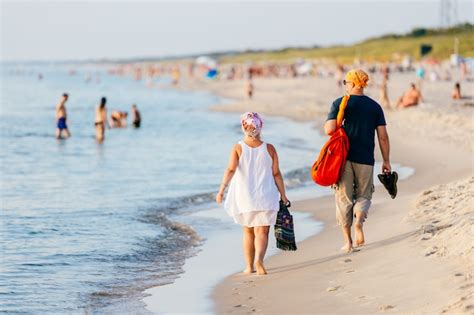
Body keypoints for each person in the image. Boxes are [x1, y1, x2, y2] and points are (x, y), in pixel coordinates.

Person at [324, 69, 391, 253]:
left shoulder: (340, 103)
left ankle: (348, 242)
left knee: (343, 199)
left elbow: (329, 130)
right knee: (364, 195)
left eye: (346, 81)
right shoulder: (374, 107)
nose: (344, 84)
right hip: (366, 159)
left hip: (342, 159)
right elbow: (383, 137)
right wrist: (386, 160)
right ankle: (359, 222)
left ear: (353, 84)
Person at [216, 112, 289, 275]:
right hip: (267, 194)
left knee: (248, 231)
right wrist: (283, 194)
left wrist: (221, 190)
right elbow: (276, 174)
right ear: (260, 127)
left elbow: (230, 169)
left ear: (243, 127)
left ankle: (249, 266)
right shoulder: (269, 148)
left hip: (245, 196)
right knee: (262, 231)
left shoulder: (238, 148)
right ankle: (259, 261)